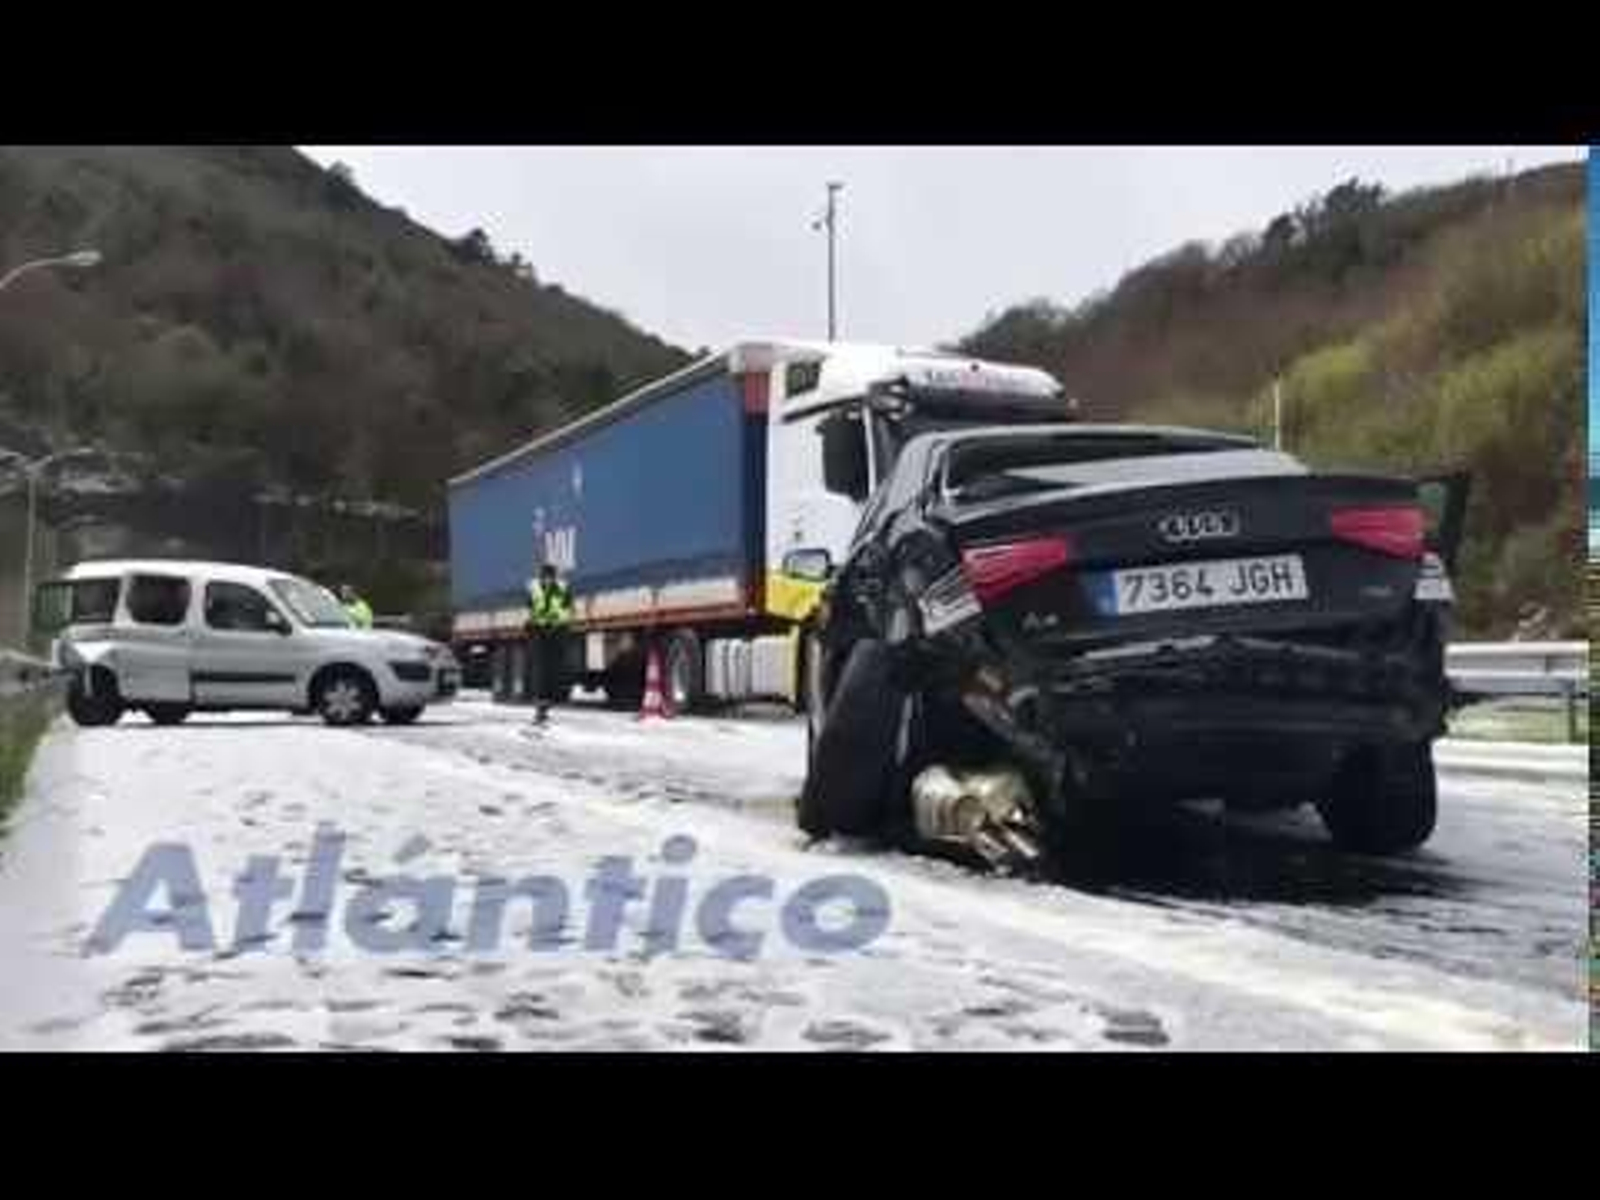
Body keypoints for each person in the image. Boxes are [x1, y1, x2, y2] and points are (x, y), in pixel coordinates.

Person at [526, 563, 574, 724]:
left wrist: (557, 623)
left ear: (554, 577)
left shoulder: (562, 589)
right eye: (545, 577)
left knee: (554, 669)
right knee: (540, 670)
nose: (547, 580)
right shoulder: (534, 589)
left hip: (556, 632)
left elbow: (567, 610)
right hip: (539, 633)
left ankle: (549, 702)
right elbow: (531, 609)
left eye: (550, 577)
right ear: (541, 577)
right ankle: (541, 708)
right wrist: (532, 624)